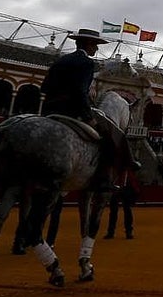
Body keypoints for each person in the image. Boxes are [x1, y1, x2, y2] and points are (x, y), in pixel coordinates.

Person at [40, 28, 138, 192]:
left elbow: (44, 88)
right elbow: (79, 93)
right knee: (108, 136)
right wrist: (88, 116)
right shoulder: (86, 63)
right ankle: (104, 178)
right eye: (96, 45)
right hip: (72, 112)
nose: (97, 48)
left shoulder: (60, 60)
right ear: (89, 44)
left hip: (48, 110)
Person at [105, 164, 140, 239]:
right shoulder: (124, 165)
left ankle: (113, 232)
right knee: (122, 210)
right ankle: (126, 231)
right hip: (120, 187)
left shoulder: (120, 165)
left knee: (121, 211)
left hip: (123, 187)